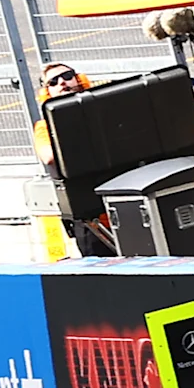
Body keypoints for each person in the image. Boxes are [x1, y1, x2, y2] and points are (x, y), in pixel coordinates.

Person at [31, 64, 113, 255]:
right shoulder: (44, 127)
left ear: (79, 79)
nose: (62, 82)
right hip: (90, 219)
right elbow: (48, 156)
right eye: (53, 82)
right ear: (47, 91)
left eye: (67, 76)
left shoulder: (100, 111)